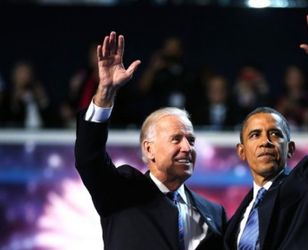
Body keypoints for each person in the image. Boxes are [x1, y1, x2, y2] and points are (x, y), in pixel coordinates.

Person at [224, 7, 308, 250]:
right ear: (241, 151)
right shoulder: (235, 223)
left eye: (275, 134)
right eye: (255, 135)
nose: (265, 141)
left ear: (290, 148)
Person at [75, 31, 226, 250]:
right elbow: (88, 157)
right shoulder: (121, 191)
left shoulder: (214, 212)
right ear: (149, 149)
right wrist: (105, 92)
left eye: (191, 140)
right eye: (176, 139)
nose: (187, 148)